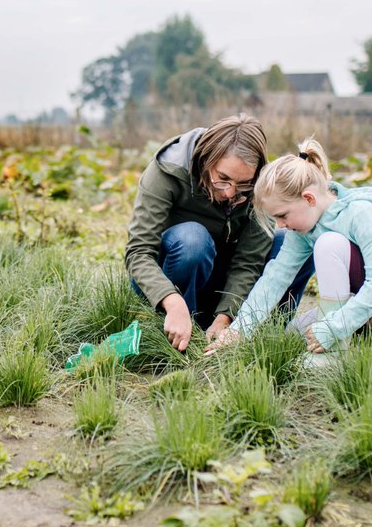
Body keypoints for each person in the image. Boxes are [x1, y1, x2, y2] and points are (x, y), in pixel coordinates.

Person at [205, 137, 372, 356]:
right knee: (293, 335)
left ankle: (334, 354)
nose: (280, 225)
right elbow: (275, 278)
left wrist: (333, 329)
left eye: (282, 215)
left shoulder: (361, 214)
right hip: (366, 301)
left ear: (309, 199)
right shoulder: (304, 229)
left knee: (329, 244)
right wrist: (239, 331)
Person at [126, 115, 313, 352]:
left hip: (221, 283)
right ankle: (178, 330)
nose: (230, 193)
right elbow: (138, 252)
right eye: (222, 179)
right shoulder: (168, 170)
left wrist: (225, 317)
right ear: (206, 159)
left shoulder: (260, 185)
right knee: (193, 239)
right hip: (169, 282)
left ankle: (264, 337)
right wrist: (173, 303)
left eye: (243, 183)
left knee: (294, 242)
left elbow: (248, 261)